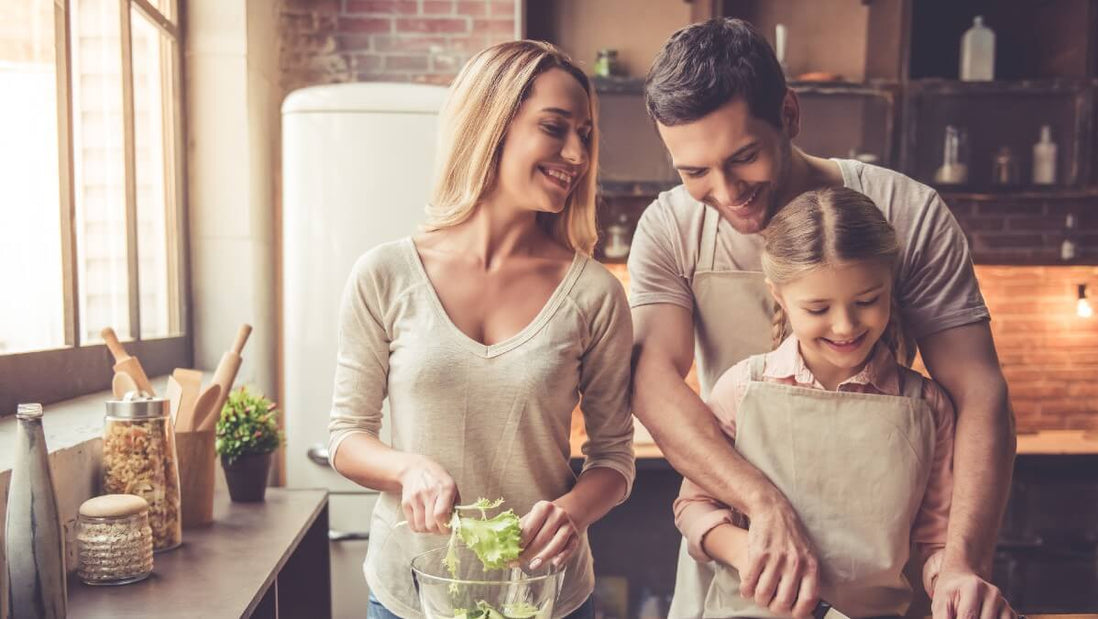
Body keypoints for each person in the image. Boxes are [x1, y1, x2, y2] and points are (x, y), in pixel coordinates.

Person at [629, 18, 1016, 618]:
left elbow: (979, 392)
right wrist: (760, 503)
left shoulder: (907, 213)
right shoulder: (669, 227)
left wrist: (961, 561)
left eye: (743, 157)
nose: (726, 191)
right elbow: (652, 382)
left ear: (788, 114)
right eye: (694, 172)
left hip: (875, 572)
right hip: (743, 570)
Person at [327, 40, 636, 619]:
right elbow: (347, 436)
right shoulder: (386, 274)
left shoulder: (594, 293)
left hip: (544, 596)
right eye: (555, 127)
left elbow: (614, 459)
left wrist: (573, 510)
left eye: (586, 135)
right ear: (492, 125)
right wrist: (408, 467)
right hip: (411, 597)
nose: (576, 153)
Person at [675, 186, 978, 616]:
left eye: (867, 301)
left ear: (890, 285)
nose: (844, 326)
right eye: (818, 308)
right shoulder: (741, 389)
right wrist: (747, 551)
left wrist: (954, 577)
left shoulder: (928, 407)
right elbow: (694, 505)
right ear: (778, 296)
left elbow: (936, 539)